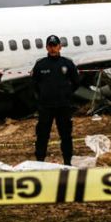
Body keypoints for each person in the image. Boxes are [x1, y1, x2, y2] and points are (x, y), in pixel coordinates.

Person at [32, 35, 79, 166]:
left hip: (63, 106)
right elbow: (34, 84)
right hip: (46, 107)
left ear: (60, 47)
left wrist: (67, 94)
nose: (53, 49)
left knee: (66, 136)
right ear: (47, 47)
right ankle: (40, 161)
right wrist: (41, 98)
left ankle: (67, 162)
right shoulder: (41, 65)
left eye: (55, 46)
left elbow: (76, 82)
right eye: (50, 46)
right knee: (42, 135)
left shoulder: (67, 63)